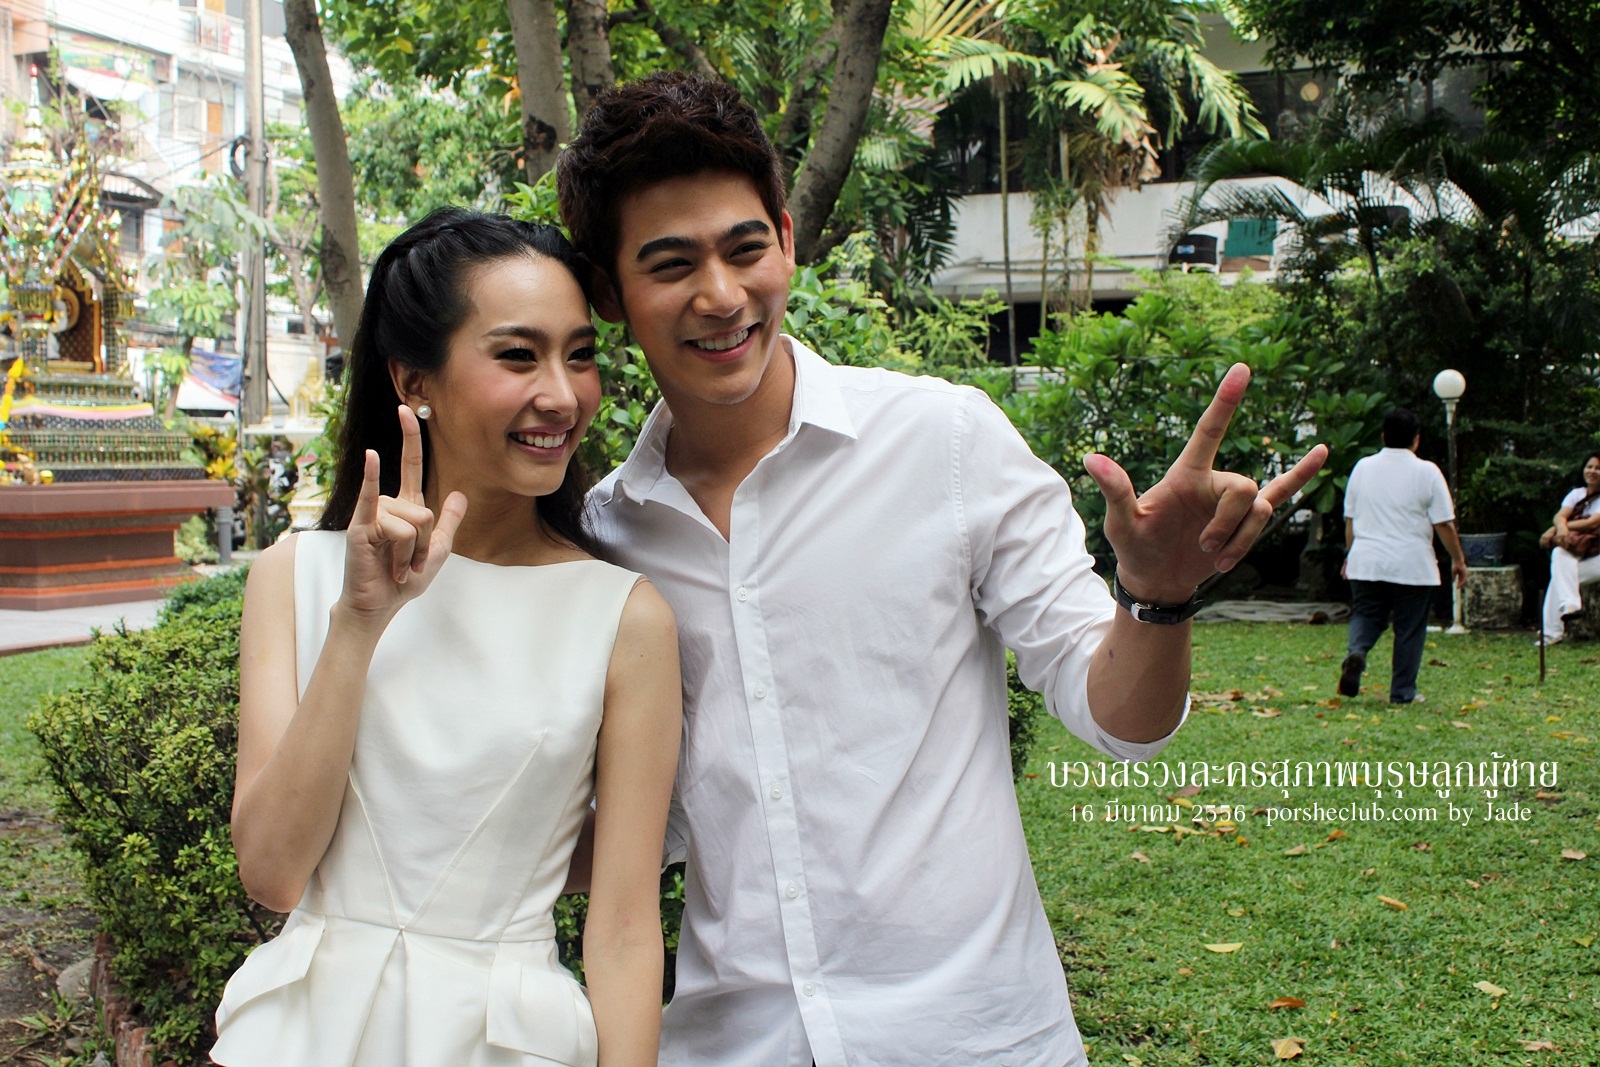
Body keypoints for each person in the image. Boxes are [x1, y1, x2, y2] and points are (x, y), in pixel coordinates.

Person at [555, 72, 1327, 1067]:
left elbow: (1117, 716)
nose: (721, 295)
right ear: (609, 294)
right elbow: (646, 822)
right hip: (733, 1043)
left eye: (744, 249)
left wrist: (1156, 598)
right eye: (670, 265)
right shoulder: (609, 539)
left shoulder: (944, 441)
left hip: (975, 1037)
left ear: (786, 239)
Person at [211, 210, 681, 1067]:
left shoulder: (624, 617)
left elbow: (621, 932)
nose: (562, 394)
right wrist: (358, 625)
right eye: (518, 355)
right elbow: (273, 873)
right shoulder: (295, 574)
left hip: (507, 1040)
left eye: (580, 355)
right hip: (300, 1034)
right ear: (413, 379)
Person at [1337, 408, 1468, 704]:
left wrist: (1350, 555)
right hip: (1413, 565)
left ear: (1383, 436)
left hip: (1366, 560)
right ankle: (1403, 692)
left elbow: (1350, 521)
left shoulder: (1362, 468)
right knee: (1410, 628)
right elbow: (1444, 524)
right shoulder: (1427, 472)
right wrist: (1458, 560)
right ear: (1416, 439)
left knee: (1366, 614)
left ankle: (1357, 651)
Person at [1537, 451, 1600, 645]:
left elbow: (1592, 523)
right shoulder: (1577, 494)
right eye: (1589, 466)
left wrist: (1557, 529)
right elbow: (1560, 515)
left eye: (1598, 468)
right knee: (1559, 554)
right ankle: (1569, 606)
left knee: (1560, 577)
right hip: (1580, 551)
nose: (1592, 471)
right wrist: (1561, 527)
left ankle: (1551, 632)